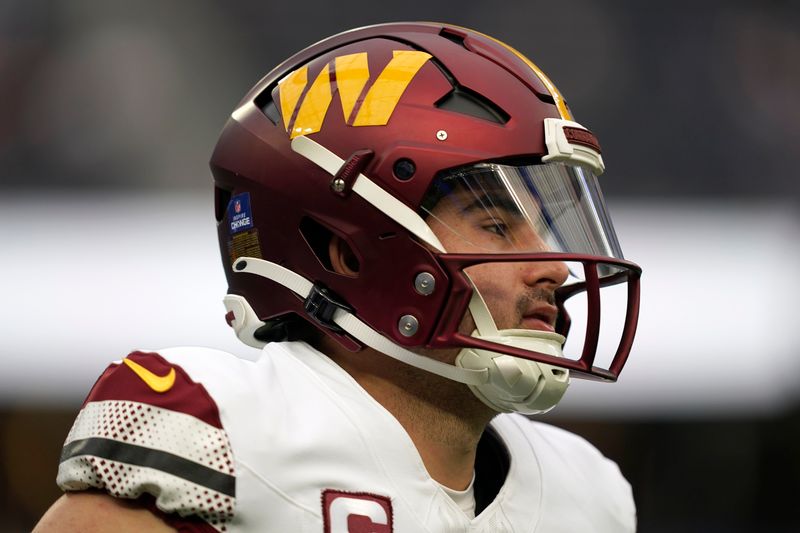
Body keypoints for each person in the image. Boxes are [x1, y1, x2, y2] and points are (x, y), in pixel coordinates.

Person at [35, 22, 642, 532]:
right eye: (496, 225)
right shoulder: (222, 436)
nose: (557, 268)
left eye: (545, 228)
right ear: (344, 250)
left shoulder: (586, 497)